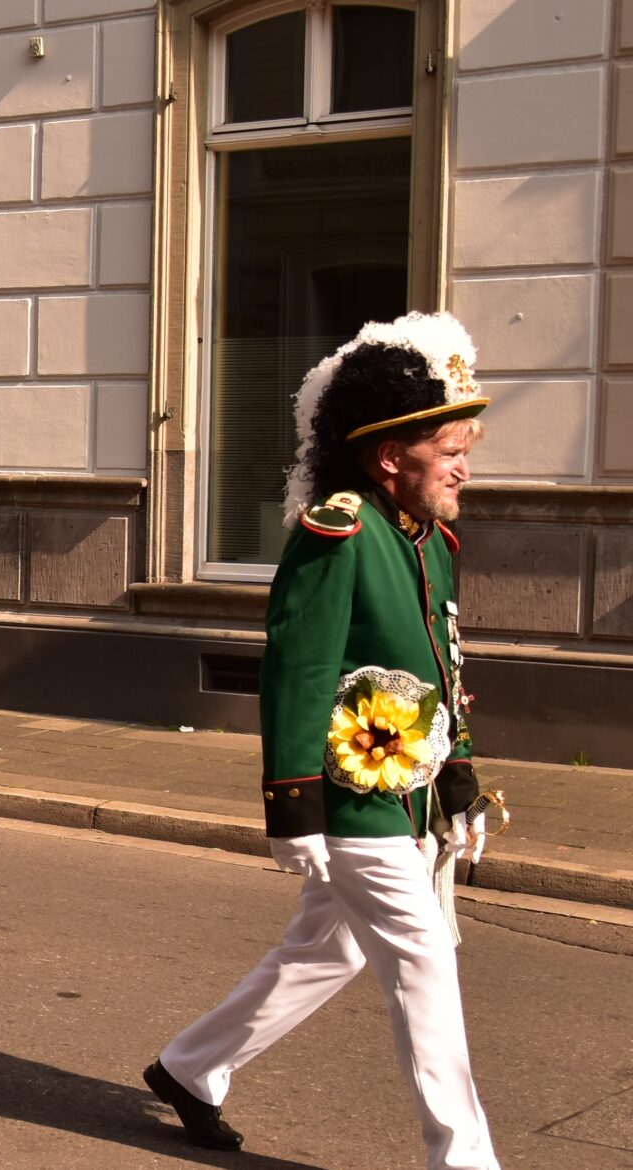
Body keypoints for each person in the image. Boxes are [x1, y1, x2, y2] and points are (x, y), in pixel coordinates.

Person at [146, 312, 501, 1169]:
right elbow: (297, 674)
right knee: (423, 958)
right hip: (348, 797)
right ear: (389, 457)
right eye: (449, 450)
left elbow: (440, 665)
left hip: (404, 793)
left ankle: (191, 1068)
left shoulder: (429, 541)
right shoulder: (339, 533)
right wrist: (293, 806)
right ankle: (464, 1159)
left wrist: (458, 780)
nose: (464, 466)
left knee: (327, 950)